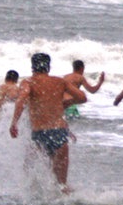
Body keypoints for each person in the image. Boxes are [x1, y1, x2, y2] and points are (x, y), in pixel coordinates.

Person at [9, 53, 87, 190]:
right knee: (61, 183)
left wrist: (14, 122)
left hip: (40, 133)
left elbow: (21, 100)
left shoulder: (28, 82)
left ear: (33, 67)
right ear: (48, 67)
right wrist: (65, 104)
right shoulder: (59, 82)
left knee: (32, 176)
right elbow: (82, 97)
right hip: (59, 132)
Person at [0, 70, 21, 138]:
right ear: (16, 80)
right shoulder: (16, 89)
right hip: (5, 121)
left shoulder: (1, 87)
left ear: (6, 78)